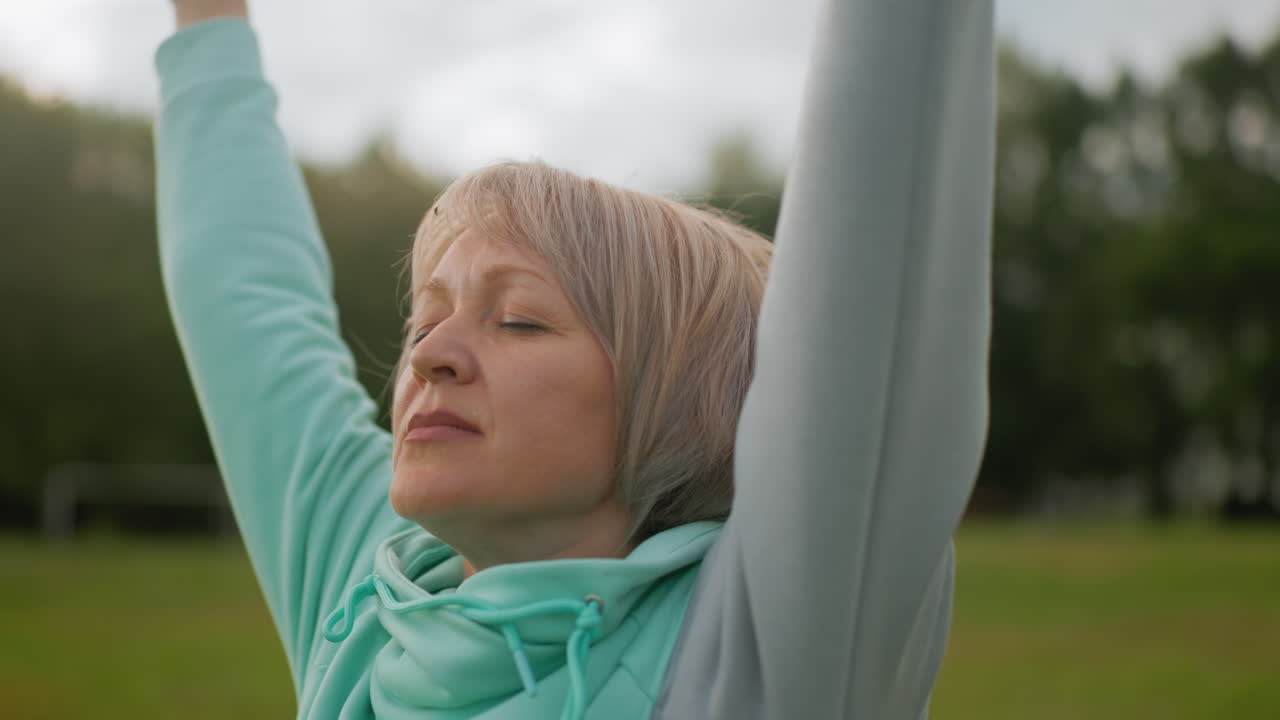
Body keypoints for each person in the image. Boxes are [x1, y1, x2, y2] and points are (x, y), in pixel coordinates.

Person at [154, 0, 994, 718]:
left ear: (676, 405)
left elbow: (889, 199)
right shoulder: (367, 602)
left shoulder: (766, 640)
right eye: (425, 319)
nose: (430, 358)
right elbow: (244, 294)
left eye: (517, 321)